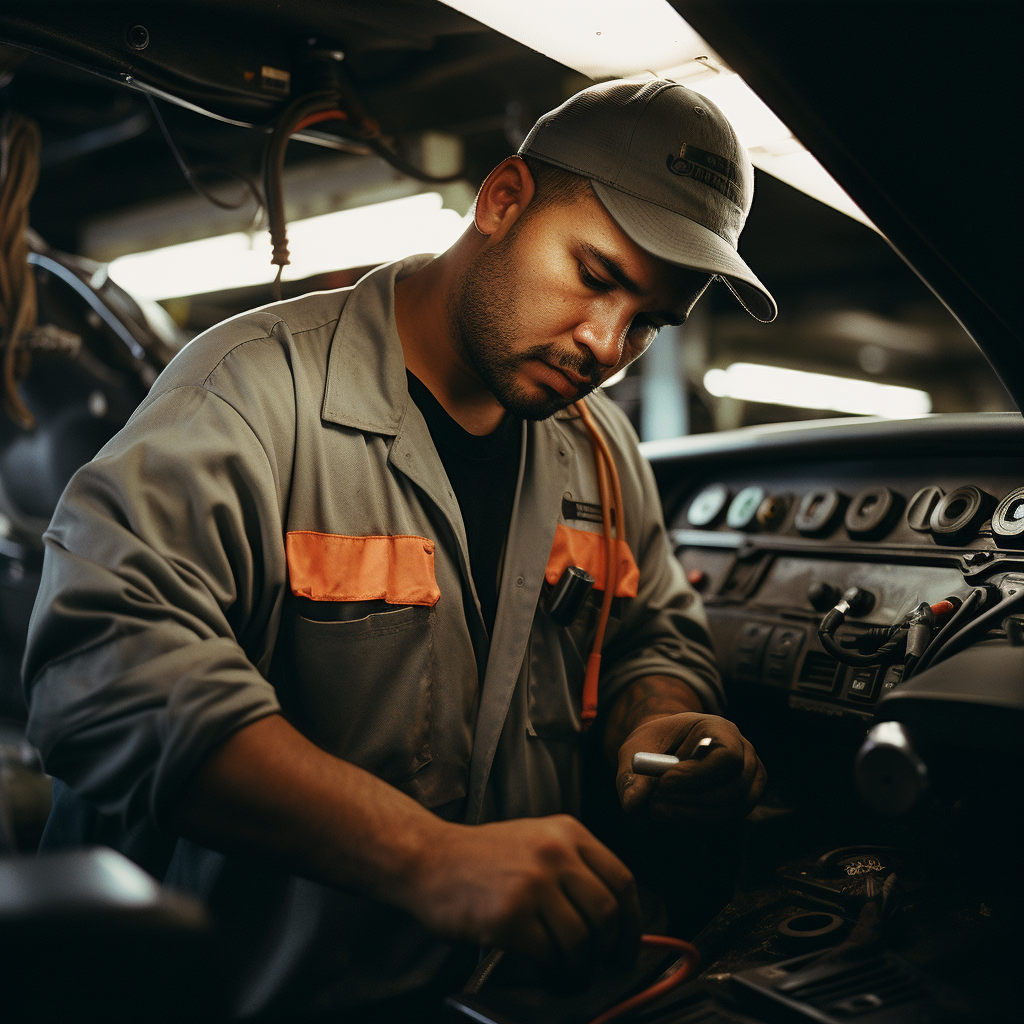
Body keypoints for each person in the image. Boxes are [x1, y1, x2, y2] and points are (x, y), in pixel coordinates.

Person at [23, 79, 774, 1018]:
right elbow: (103, 681)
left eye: (651, 320)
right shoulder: (250, 397)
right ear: (503, 199)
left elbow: (650, 635)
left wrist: (656, 726)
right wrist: (427, 857)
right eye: (597, 275)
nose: (605, 343)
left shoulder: (599, 449)